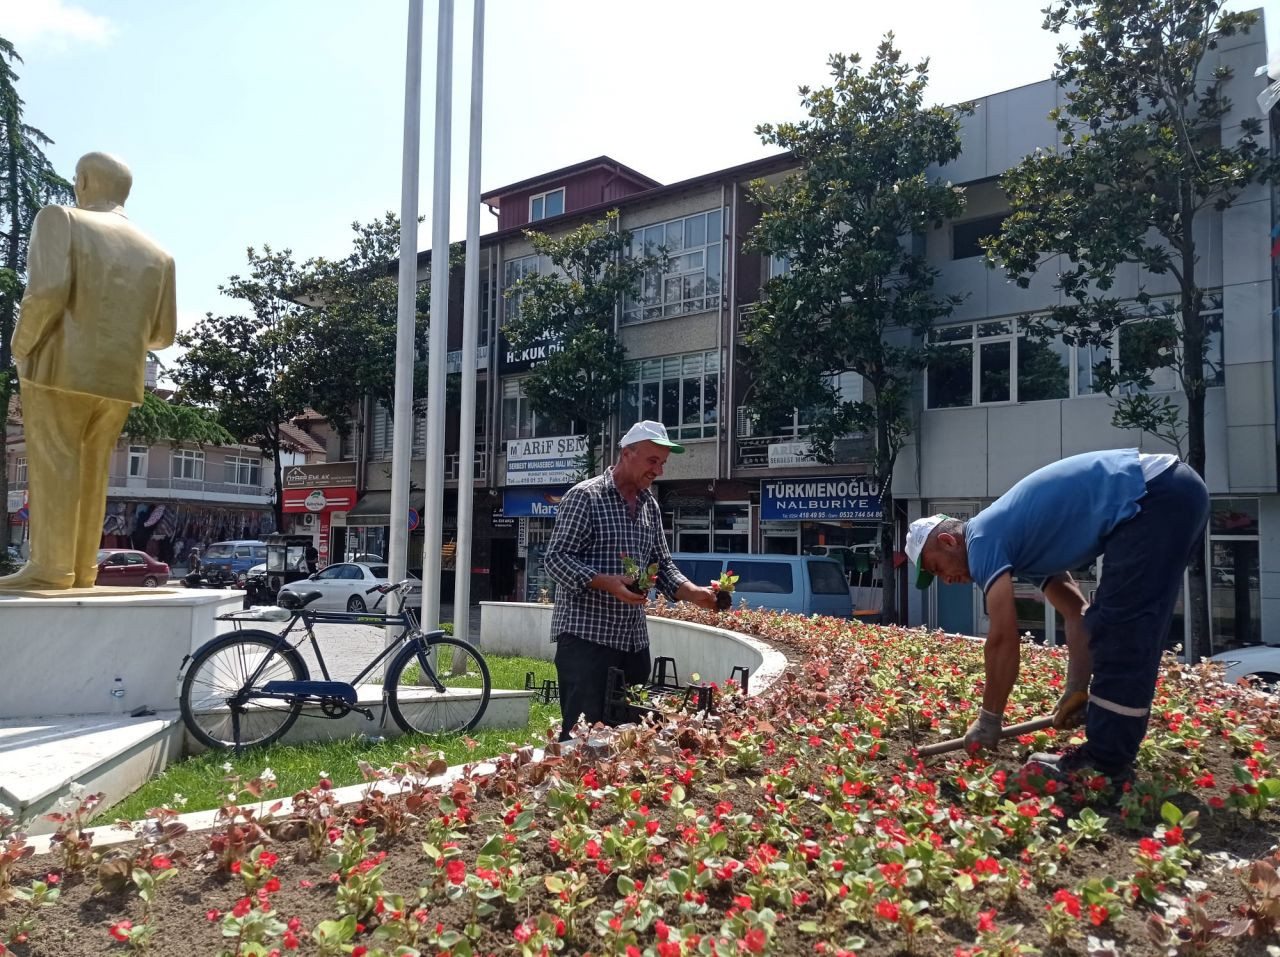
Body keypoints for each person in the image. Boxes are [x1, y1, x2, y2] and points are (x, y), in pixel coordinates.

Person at [906, 448, 1209, 787]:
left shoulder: (982, 539)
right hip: (1174, 489)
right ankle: (1109, 754)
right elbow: (1076, 614)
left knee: (1122, 628)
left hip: (1155, 494)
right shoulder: (1020, 546)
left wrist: (989, 718)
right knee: (1121, 625)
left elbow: (1004, 637)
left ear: (948, 541)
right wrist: (1076, 689)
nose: (946, 580)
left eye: (937, 569)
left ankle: (1105, 763)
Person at [0, 152, 176, 591]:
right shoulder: (159, 254)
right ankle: (82, 570)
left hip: (58, 367)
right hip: (119, 380)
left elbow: (47, 292)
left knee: (55, 461)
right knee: (94, 471)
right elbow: (162, 335)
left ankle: (51, 568)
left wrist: (19, 347)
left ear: (83, 182)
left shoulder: (62, 219)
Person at [544, 420, 718, 742]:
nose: (659, 471)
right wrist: (605, 581)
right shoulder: (585, 497)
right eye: (653, 461)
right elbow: (556, 560)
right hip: (587, 642)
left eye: (663, 463)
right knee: (583, 739)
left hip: (633, 643)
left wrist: (693, 592)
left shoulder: (650, 505)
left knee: (628, 737)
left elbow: (660, 564)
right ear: (627, 453)